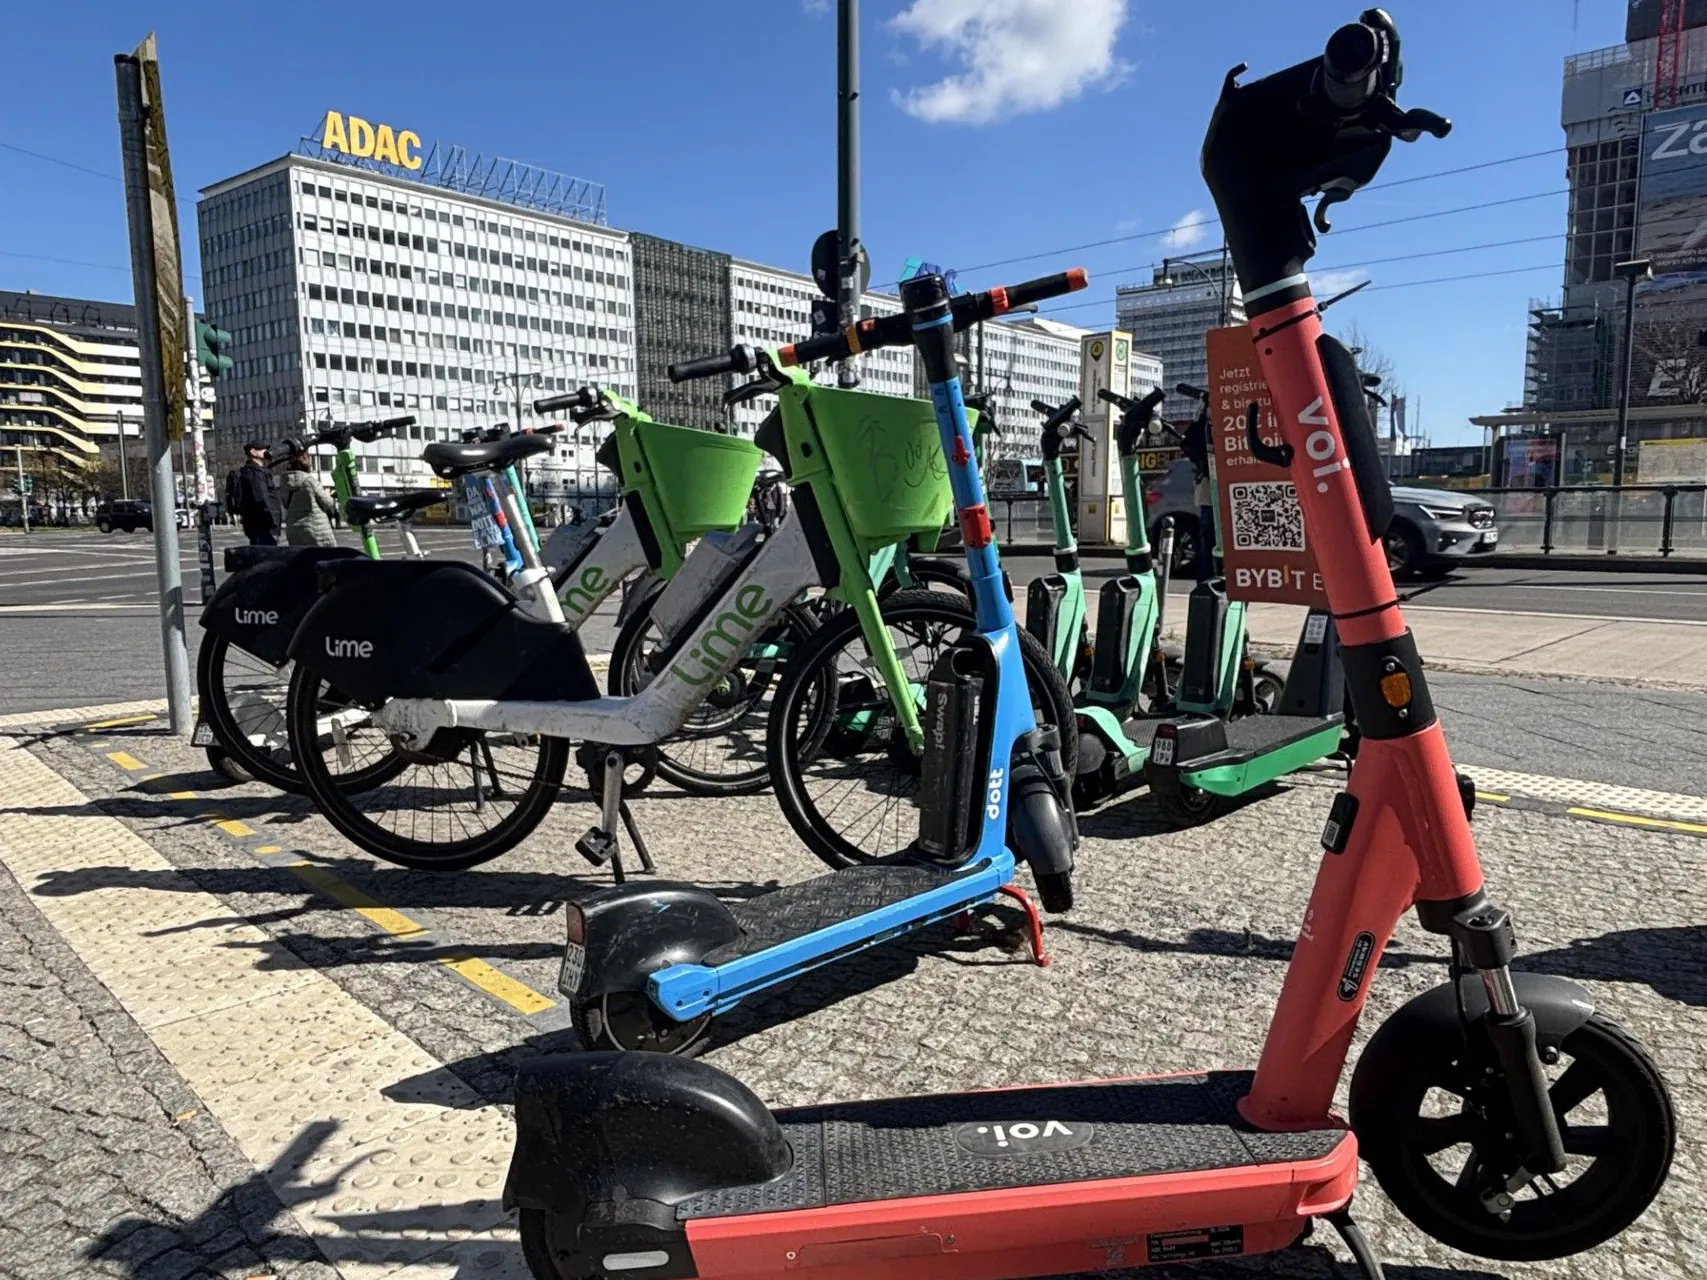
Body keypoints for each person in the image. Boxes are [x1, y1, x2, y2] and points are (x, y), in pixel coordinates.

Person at [279, 452, 339, 547]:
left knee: (303, 558)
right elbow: (327, 503)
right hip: (314, 527)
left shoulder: (285, 483)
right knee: (327, 557)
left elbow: (286, 504)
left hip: (293, 529)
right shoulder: (310, 481)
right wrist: (328, 493)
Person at [236, 441, 281, 545]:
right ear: (253, 452)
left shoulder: (258, 471)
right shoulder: (254, 473)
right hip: (262, 526)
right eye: (262, 449)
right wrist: (270, 521)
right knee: (267, 555)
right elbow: (261, 498)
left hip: (262, 525)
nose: (266, 451)